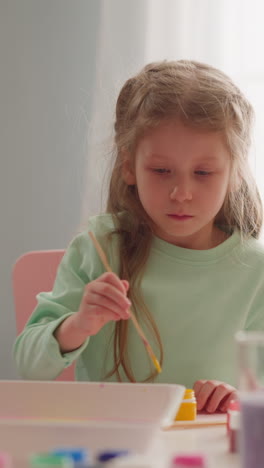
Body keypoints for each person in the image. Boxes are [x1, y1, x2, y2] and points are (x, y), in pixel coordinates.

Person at [14, 60, 264, 414]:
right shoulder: (98, 247)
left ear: (235, 173)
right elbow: (29, 365)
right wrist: (78, 325)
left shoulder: (256, 270)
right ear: (129, 165)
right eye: (161, 170)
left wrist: (235, 395)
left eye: (203, 172)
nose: (181, 192)